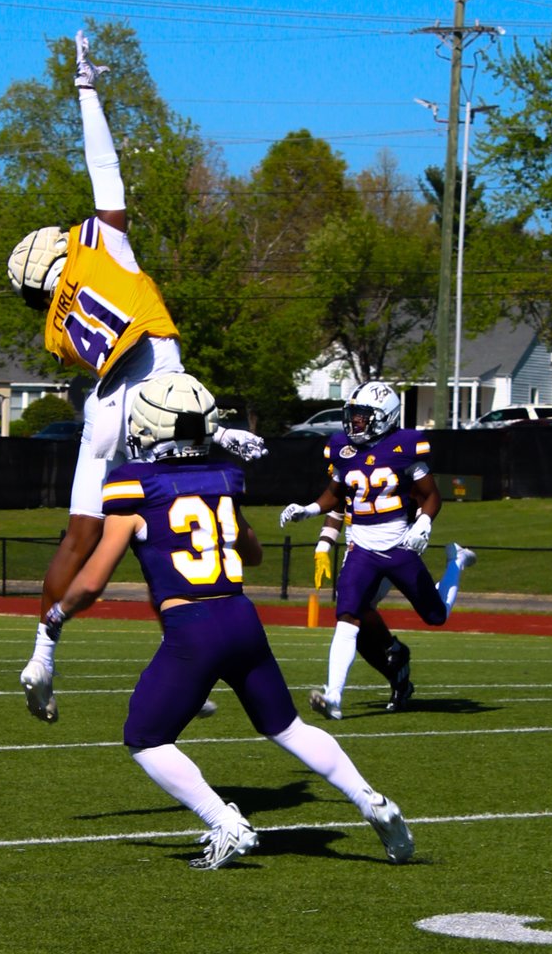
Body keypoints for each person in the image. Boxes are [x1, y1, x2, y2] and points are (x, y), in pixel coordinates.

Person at [42, 371, 414, 870]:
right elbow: (253, 553)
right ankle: (372, 800)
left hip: (192, 628)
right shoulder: (222, 477)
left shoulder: (134, 485)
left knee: (145, 738)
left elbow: (91, 582)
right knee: (289, 728)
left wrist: (55, 617)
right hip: (241, 619)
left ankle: (225, 822)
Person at [8, 31, 265, 723]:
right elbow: (106, 167)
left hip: (103, 410)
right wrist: (86, 91)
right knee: (168, 517)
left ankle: (42, 653)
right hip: (155, 382)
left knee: (82, 536)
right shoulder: (98, 243)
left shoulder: (53, 329)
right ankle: (188, 656)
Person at [280, 380, 477, 721]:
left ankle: (456, 562)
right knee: (347, 615)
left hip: (399, 545)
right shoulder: (342, 448)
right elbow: (335, 494)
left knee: (436, 616)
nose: (354, 421)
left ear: (384, 416)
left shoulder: (405, 446)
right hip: (362, 548)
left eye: (362, 415)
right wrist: (308, 510)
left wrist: (423, 523)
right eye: (353, 414)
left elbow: (431, 495)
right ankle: (334, 695)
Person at [312, 508, 415, 711]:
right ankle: (398, 676)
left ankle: (393, 649)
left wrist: (419, 526)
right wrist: (322, 547)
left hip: (387, 546)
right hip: (357, 553)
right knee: (355, 631)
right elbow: (336, 507)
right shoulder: (346, 485)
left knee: (356, 608)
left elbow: (423, 499)